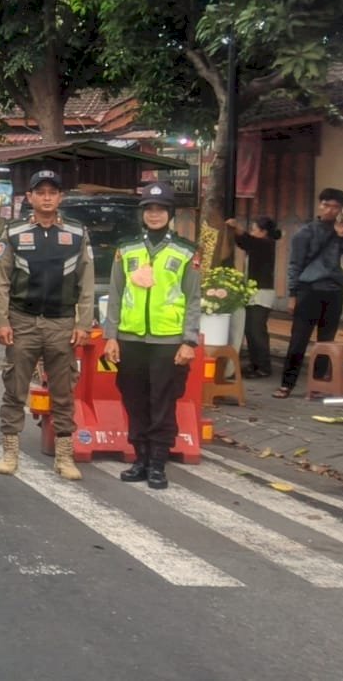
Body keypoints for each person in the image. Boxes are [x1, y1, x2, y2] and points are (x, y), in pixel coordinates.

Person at [0, 169, 93, 481]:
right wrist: (1, 321)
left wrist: (84, 324)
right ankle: (10, 451)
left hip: (62, 322)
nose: (47, 197)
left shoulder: (77, 233)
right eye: (41, 192)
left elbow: (86, 282)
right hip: (23, 321)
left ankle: (64, 456)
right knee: (15, 388)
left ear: (60, 197)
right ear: (30, 198)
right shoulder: (14, 232)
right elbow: (2, 281)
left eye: (53, 192)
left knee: (63, 392)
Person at [101, 181, 201, 490]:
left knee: (163, 401)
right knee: (135, 398)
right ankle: (140, 458)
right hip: (130, 339)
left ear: (170, 213)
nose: (154, 215)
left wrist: (189, 340)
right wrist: (111, 335)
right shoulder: (127, 248)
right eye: (149, 209)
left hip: (168, 341)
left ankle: (158, 463)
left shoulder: (186, 251)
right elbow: (116, 293)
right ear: (142, 213)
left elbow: (193, 297)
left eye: (160, 209)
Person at [277, 188, 343, 397]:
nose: (332, 210)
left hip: (334, 291)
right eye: (328, 205)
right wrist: (292, 295)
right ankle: (287, 384)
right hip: (309, 291)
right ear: (320, 205)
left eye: (336, 207)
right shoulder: (305, 232)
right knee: (299, 339)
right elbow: (294, 265)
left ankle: (317, 385)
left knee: (326, 341)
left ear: (342, 210)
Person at [226, 215, 282, 378]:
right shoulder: (258, 245)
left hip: (261, 294)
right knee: (250, 330)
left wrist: (237, 228)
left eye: (254, 229)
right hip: (253, 292)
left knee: (257, 331)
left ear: (263, 232)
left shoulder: (265, 244)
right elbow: (245, 242)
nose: (252, 232)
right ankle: (254, 364)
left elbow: (247, 240)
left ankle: (263, 367)